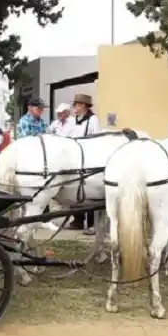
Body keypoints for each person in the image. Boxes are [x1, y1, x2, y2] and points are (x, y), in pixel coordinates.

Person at [66, 93, 101, 234]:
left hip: (88, 157)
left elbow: (96, 138)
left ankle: (92, 223)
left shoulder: (93, 120)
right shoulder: (72, 120)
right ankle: (78, 220)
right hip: (74, 158)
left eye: (78, 104)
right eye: (75, 104)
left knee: (90, 190)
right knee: (74, 189)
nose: (75, 107)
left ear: (84, 107)